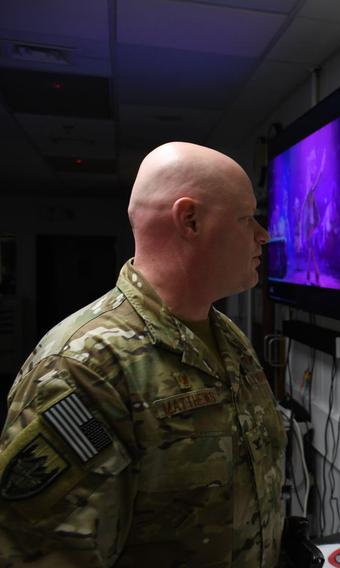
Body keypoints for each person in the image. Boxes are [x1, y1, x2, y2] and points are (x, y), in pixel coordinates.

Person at [0, 142, 286, 566]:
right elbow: (42, 553)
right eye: (247, 218)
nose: (263, 234)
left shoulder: (227, 338)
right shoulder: (84, 368)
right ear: (190, 220)